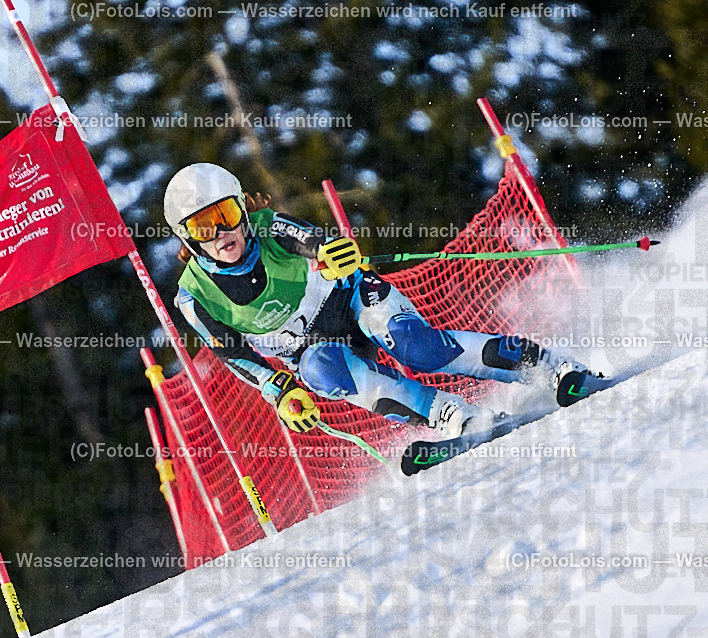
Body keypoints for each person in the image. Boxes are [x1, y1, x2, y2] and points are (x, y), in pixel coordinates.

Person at [165, 163, 598, 439]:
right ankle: (450, 417)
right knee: (323, 371)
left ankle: (549, 367)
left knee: (416, 346)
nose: (222, 234)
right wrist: (276, 389)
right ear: (187, 236)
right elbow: (232, 351)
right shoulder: (194, 296)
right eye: (204, 227)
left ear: (242, 209)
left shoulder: (266, 227)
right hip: (311, 349)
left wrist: (331, 252)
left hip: (349, 298)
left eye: (226, 216)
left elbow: (310, 240)